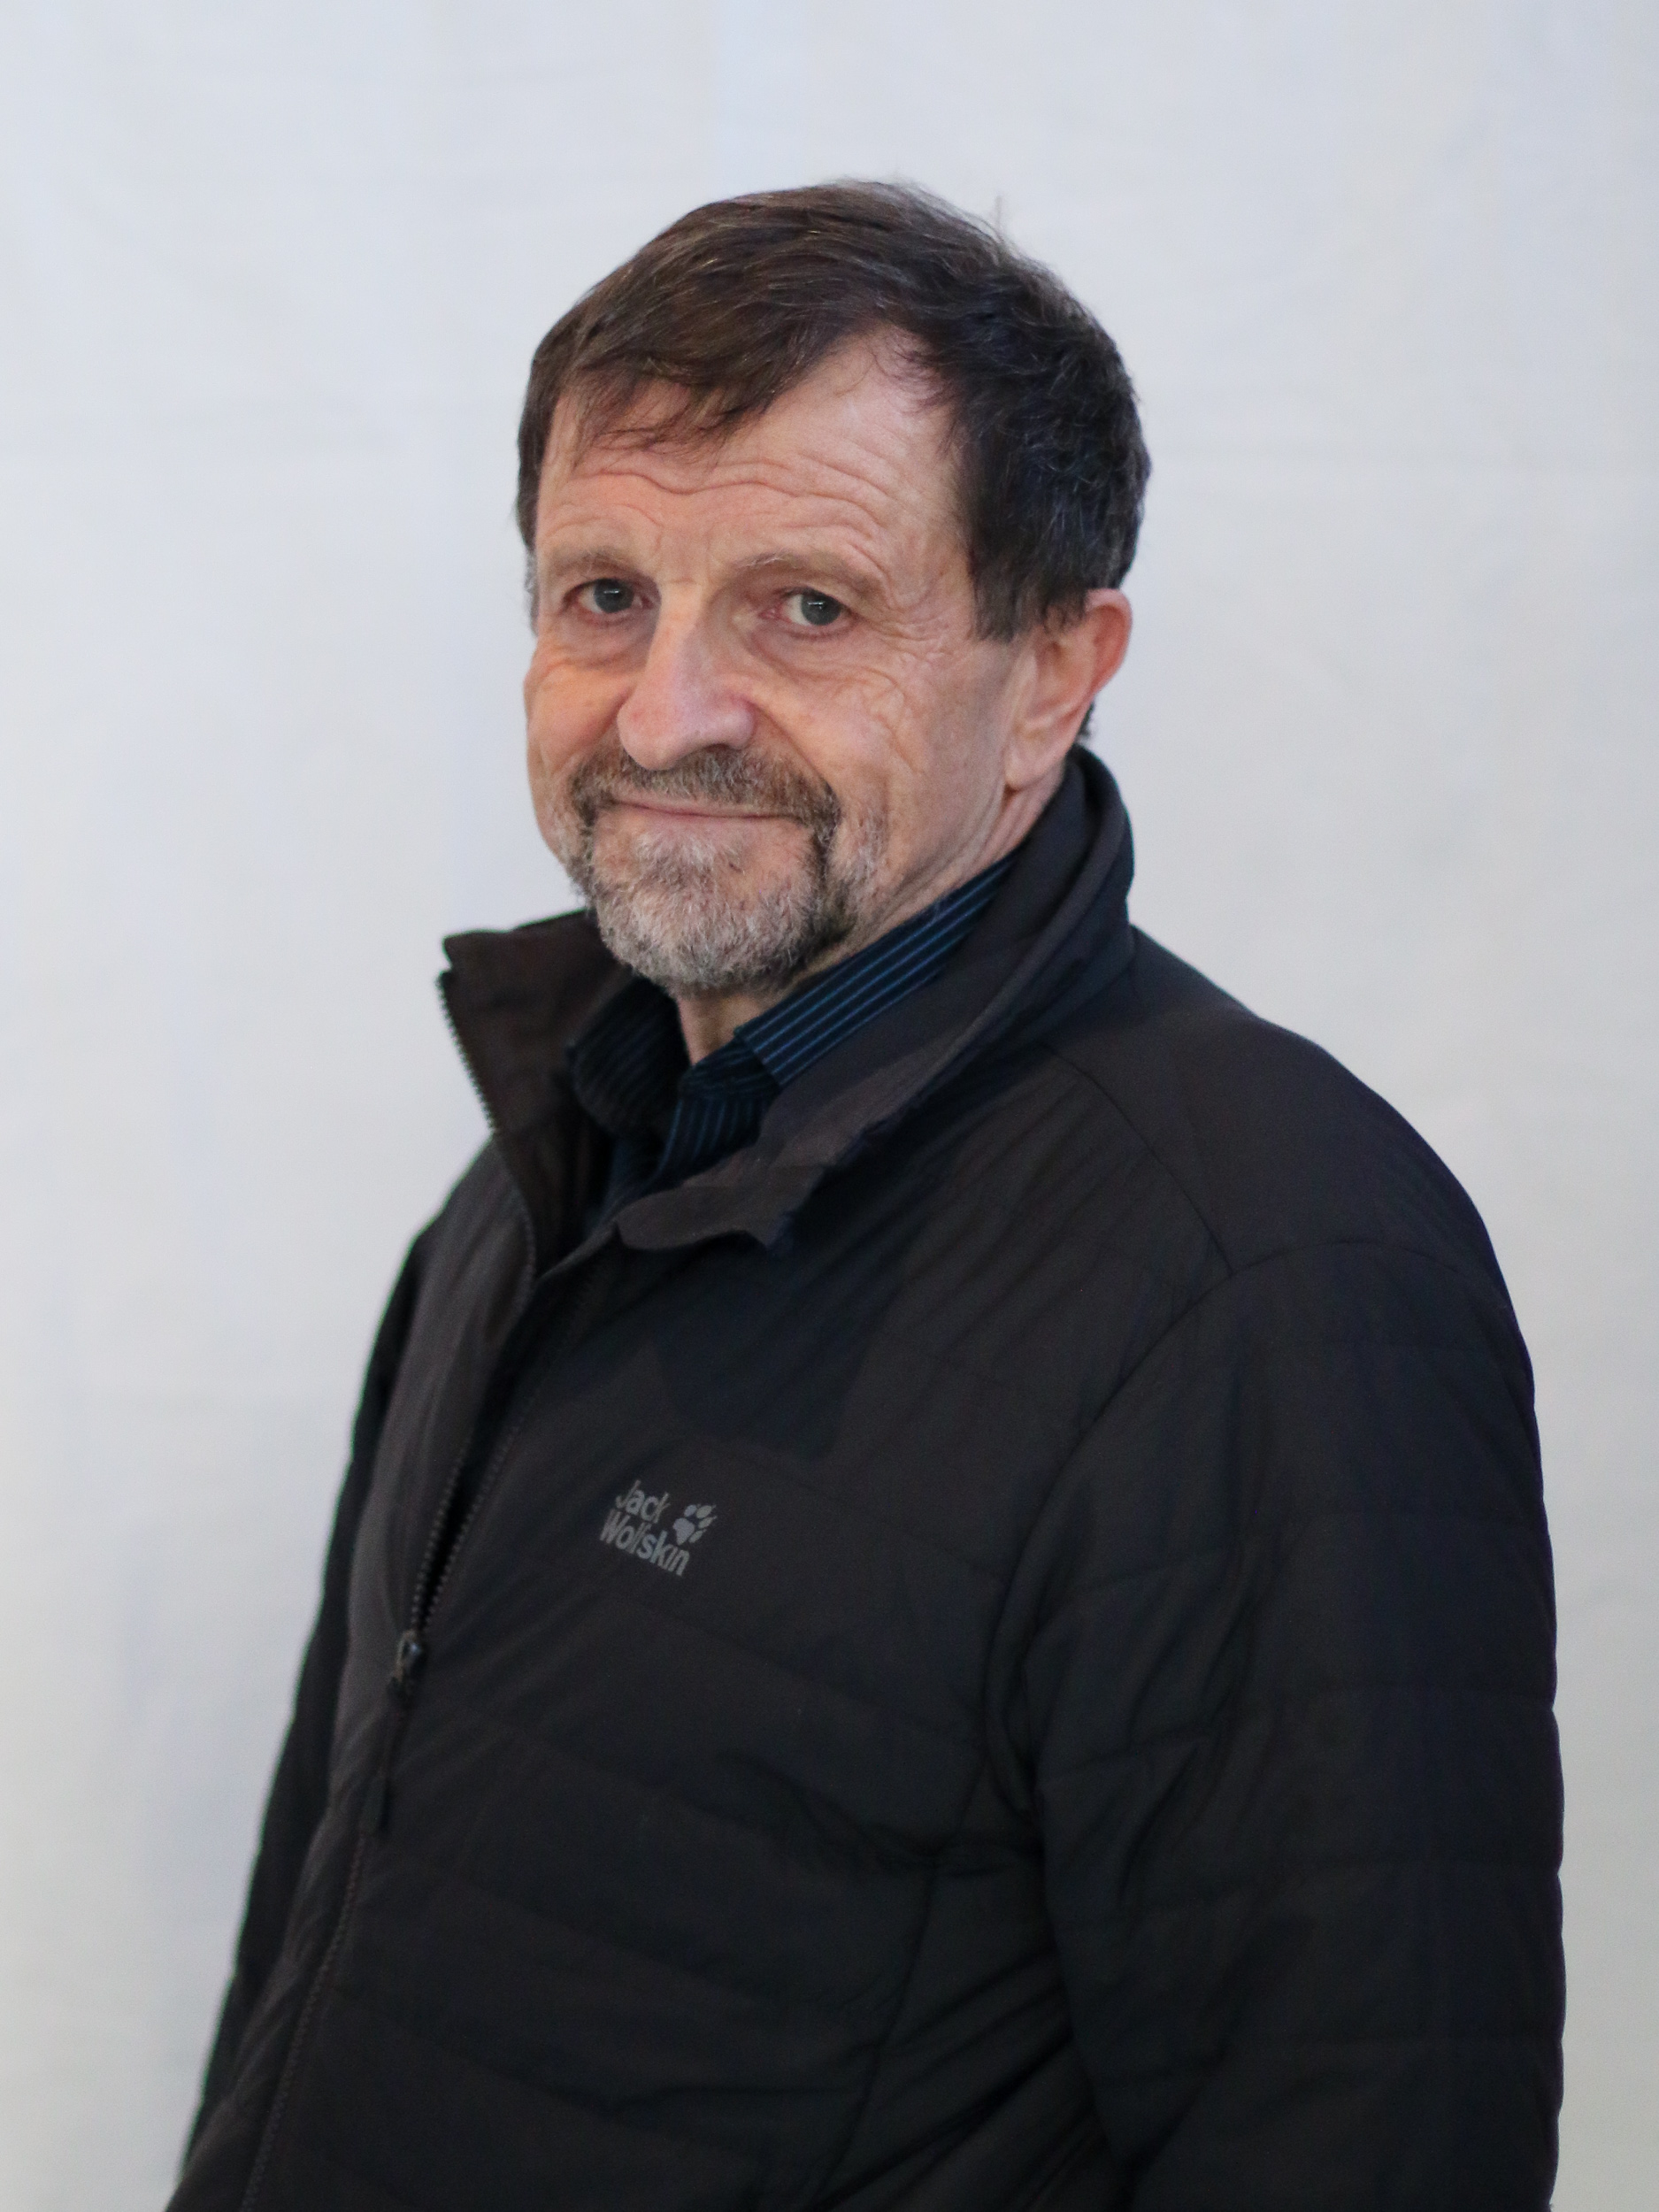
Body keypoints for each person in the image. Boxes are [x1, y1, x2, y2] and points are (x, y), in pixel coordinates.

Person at [170, 183, 1563, 2212]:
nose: (665, 712)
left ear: (1053, 668)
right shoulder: (543, 1166)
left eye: (805, 607)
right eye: (604, 594)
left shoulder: (1270, 1270)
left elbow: (1357, 2132)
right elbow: (311, 1961)